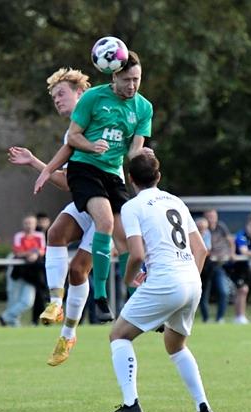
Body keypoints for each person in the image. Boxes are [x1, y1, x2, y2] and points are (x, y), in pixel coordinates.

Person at [34, 52, 152, 323]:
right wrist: (47, 170)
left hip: (113, 177)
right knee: (87, 226)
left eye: (137, 79)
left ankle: (135, 301)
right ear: (114, 76)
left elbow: (135, 152)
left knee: (127, 244)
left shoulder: (143, 108)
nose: (132, 85)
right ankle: (96, 298)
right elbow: (72, 142)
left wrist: (146, 171)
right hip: (85, 170)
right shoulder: (93, 99)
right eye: (127, 80)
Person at [102, 149, 216, 412]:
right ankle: (203, 407)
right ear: (158, 176)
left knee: (118, 335)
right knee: (174, 344)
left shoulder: (132, 206)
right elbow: (201, 249)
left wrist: (129, 279)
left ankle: (131, 404)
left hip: (167, 280)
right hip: (191, 280)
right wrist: (187, 283)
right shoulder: (176, 201)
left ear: (130, 179)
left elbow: (137, 255)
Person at [7, 67, 95, 364]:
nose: (57, 100)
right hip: (85, 201)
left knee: (78, 270)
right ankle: (56, 303)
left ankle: (68, 335)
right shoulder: (71, 131)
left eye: (62, 94)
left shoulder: (97, 120)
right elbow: (68, 180)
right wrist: (35, 162)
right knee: (54, 233)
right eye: (54, 96)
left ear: (80, 94)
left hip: (107, 205)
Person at [0, 215, 46, 327]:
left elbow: (42, 251)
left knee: (27, 302)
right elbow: (17, 252)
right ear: (23, 224)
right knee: (14, 299)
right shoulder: (19, 236)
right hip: (19, 272)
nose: (29, 226)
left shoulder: (39, 236)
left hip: (31, 275)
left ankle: (5, 317)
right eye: (26, 223)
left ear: (35, 225)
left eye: (31, 223)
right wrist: (31, 253)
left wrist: (34, 254)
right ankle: (13, 324)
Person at [199, 209, 234, 323]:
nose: (212, 219)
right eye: (209, 216)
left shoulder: (221, 227)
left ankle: (220, 318)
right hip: (205, 265)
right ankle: (206, 319)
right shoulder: (202, 229)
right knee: (203, 294)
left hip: (217, 265)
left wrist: (231, 253)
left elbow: (230, 241)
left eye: (214, 216)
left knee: (223, 291)